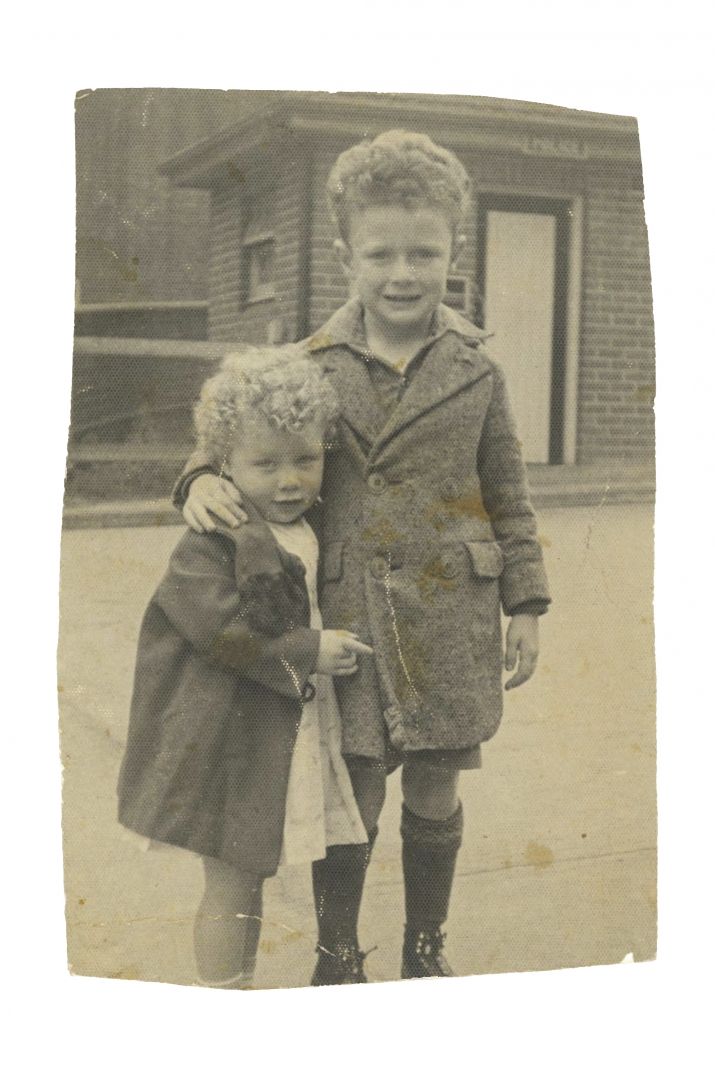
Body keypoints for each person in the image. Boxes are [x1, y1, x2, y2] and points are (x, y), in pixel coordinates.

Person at [173, 130, 552, 982]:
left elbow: (508, 493)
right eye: (381, 253)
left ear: (455, 248)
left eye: (424, 252)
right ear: (346, 253)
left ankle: (425, 949)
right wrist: (195, 476)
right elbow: (238, 436)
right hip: (347, 617)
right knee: (353, 792)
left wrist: (524, 603)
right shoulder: (309, 363)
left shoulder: (476, 367)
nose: (403, 273)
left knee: (434, 785)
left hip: (452, 611)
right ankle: (337, 956)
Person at [118, 345, 373, 989]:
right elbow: (219, 635)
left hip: (288, 726)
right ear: (222, 465)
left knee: (255, 866)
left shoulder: (308, 525)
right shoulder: (212, 538)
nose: (289, 481)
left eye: (306, 460)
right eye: (264, 464)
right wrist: (309, 650)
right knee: (234, 879)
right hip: (230, 738)